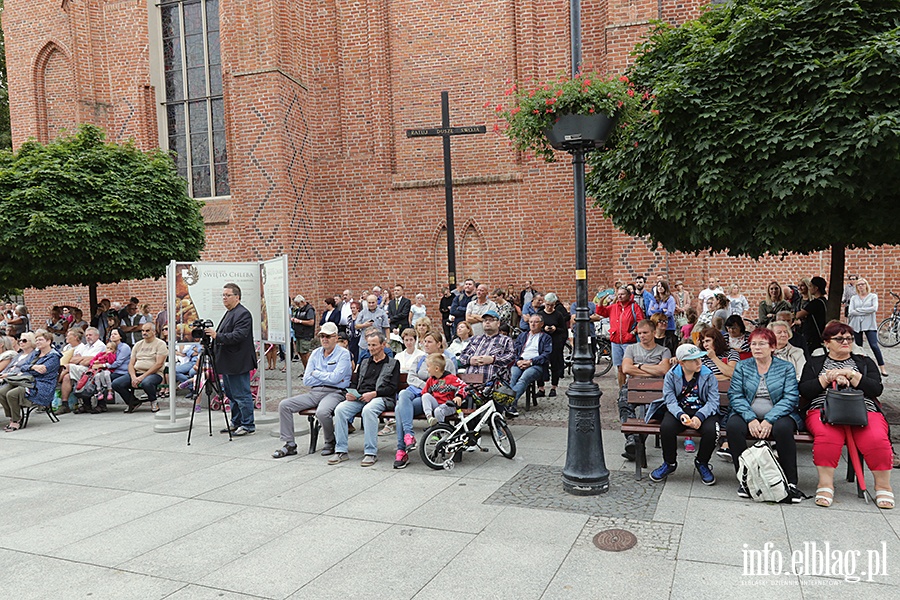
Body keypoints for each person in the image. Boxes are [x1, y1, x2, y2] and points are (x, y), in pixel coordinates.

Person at [798, 322, 893, 509]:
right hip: (824, 409)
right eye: (839, 338)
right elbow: (805, 390)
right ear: (827, 343)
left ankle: (883, 486)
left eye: (849, 338)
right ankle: (825, 485)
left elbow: (876, 388)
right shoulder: (815, 363)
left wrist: (852, 376)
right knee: (827, 437)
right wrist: (827, 378)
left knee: (876, 438)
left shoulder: (864, 362)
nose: (846, 342)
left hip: (863, 410)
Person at [726, 328, 804, 502]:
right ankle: (745, 478)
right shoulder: (742, 366)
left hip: (779, 413)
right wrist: (751, 418)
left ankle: (790, 481)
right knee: (733, 427)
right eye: (753, 344)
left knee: (783, 429)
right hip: (747, 413)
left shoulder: (785, 368)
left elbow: (790, 397)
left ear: (772, 347)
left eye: (762, 344)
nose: (756, 348)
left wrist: (769, 419)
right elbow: (735, 395)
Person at [273, 322, 352, 458]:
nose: (324, 339)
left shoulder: (343, 354)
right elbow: (306, 380)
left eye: (328, 336)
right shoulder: (316, 353)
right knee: (284, 405)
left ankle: (330, 441)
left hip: (335, 392)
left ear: (336, 337)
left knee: (322, 412)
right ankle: (290, 444)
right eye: (322, 336)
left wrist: (317, 373)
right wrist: (325, 376)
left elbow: (335, 379)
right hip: (315, 391)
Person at [645, 344, 719, 485]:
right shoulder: (671, 375)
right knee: (666, 427)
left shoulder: (708, 375)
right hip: (680, 410)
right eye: (693, 360)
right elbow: (670, 400)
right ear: (682, 363)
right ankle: (669, 463)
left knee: (712, 431)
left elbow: (713, 402)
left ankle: (702, 462)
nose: (699, 362)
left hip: (703, 411)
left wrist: (699, 417)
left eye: (699, 358)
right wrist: (680, 415)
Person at [329, 330, 400, 467]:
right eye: (369, 345)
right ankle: (341, 450)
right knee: (340, 410)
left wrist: (374, 394)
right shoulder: (365, 362)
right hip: (360, 397)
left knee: (368, 410)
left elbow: (393, 388)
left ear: (383, 345)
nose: (371, 348)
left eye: (374, 345)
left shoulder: (393, 363)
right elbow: (355, 382)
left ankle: (370, 452)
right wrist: (351, 393)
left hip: (381, 398)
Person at [392, 330, 457, 469]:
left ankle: (401, 450)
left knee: (399, 409)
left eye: (429, 342)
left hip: (432, 399)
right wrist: (425, 386)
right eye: (424, 341)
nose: (425, 344)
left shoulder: (447, 362)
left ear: (439, 344)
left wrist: (428, 389)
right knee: (403, 394)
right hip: (416, 393)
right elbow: (411, 378)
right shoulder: (420, 359)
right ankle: (408, 436)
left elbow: (450, 382)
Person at [207, 284, 257, 434]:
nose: (224, 298)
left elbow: (239, 335)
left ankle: (248, 424)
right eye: (223, 295)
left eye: (227, 295)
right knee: (231, 394)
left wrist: (217, 336)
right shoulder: (230, 313)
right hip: (228, 362)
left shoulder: (243, 314)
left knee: (242, 394)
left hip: (238, 362)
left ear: (237, 297)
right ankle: (236, 421)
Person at [622, 320, 673, 460]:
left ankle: (635, 445)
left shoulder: (664, 351)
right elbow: (626, 369)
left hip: (656, 388)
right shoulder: (631, 349)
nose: (642, 336)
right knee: (624, 403)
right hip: (633, 385)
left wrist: (638, 367)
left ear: (653, 332)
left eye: (645, 333)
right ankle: (633, 440)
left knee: (653, 411)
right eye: (639, 333)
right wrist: (652, 370)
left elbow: (664, 370)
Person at [0, 331, 60, 431]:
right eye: (36, 340)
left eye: (40, 340)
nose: (38, 342)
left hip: (41, 386)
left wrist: (30, 369)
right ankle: (13, 416)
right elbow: (23, 367)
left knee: (12, 394)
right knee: (2, 392)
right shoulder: (36, 354)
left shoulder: (54, 356)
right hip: (27, 380)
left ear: (49, 341)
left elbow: (42, 372)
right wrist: (33, 367)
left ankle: (15, 420)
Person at [112, 323, 168, 413]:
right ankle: (133, 402)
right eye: (142, 330)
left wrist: (142, 377)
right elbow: (131, 364)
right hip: (137, 372)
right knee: (116, 383)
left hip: (154, 374)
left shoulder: (160, 344)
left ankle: (153, 401)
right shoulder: (138, 345)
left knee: (147, 383)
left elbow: (159, 364)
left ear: (154, 332)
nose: (144, 333)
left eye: (147, 330)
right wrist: (133, 377)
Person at [595, 286, 644, 388]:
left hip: (629, 341)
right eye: (618, 294)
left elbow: (641, 321)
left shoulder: (634, 307)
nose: (620, 296)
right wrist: (601, 301)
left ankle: (633, 390)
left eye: (622, 294)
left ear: (628, 296)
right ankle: (621, 391)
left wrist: (633, 332)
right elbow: (601, 312)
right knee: (620, 368)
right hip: (616, 341)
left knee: (630, 367)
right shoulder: (614, 307)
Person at [508, 314, 552, 417]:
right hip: (520, 362)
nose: (533, 324)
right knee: (512, 377)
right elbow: (514, 351)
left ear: (541, 324)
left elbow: (546, 355)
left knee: (524, 378)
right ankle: (510, 405)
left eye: (536, 322)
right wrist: (518, 361)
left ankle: (509, 403)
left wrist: (531, 362)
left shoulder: (546, 337)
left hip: (536, 365)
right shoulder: (523, 336)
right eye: (531, 322)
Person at [459, 310, 516, 382]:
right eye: (485, 320)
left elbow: (512, 356)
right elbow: (462, 356)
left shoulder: (506, 340)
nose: (487, 322)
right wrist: (469, 360)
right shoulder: (475, 339)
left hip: (493, 383)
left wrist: (493, 359)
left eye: (491, 320)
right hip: (470, 380)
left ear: (498, 323)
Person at [848, 278, 888, 377]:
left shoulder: (872, 296)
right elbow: (851, 311)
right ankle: (860, 367)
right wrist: (865, 310)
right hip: (856, 324)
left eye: (862, 284)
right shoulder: (854, 298)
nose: (861, 286)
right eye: (858, 285)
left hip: (869, 324)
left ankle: (882, 367)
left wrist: (859, 310)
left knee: (874, 345)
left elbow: (874, 308)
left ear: (866, 285)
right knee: (858, 346)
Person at [421, 353, 468, 425]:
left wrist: (459, 396)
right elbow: (424, 392)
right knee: (425, 396)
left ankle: (440, 431)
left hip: (449, 406)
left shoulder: (451, 378)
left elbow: (464, 386)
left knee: (438, 411)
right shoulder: (431, 380)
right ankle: (430, 418)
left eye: (428, 366)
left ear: (436, 368)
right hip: (437, 404)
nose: (427, 369)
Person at [539, 293, 569, 396]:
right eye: (547, 305)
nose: (549, 307)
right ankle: (541, 388)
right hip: (543, 342)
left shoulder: (558, 315)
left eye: (551, 305)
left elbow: (563, 330)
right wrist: (544, 329)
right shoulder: (540, 314)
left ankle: (553, 387)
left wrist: (555, 329)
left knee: (555, 364)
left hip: (555, 341)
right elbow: (536, 329)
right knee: (541, 363)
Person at [796, 276, 828, 354]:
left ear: (816, 288)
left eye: (810, 286)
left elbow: (798, 315)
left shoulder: (815, 303)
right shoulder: (824, 301)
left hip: (814, 336)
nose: (809, 288)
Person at [87, 341, 118, 411]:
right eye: (107, 348)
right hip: (99, 370)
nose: (108, 350)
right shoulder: (101, 354)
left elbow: (111, 361)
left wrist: (108, 355)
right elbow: (92, 361)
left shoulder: (112, 355)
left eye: (111, 349)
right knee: (97, 376)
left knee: (107, 375)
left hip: (107, 370)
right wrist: (94, 363)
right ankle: (99, 392)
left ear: (114, 350)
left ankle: (110, 391)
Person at [647, 280, 676, 345]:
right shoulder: (654, 299)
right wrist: (662, 310)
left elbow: (670, 313)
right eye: (658, 286)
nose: (660, 287)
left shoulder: (670, 299)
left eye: (662, 286)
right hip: (656, 326)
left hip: (668, 326)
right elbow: (649, 312)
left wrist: (656, 311)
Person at [291, 295, 317, 368]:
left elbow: (311, 322)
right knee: (300, 352)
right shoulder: (299, 309)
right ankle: (306, 369)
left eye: (298, 304)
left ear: (302, 302)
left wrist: (299, 321)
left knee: (305, 353)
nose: (298, 306)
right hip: (299, 334)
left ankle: (310, 370)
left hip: (306, 334)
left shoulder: (309, 309)